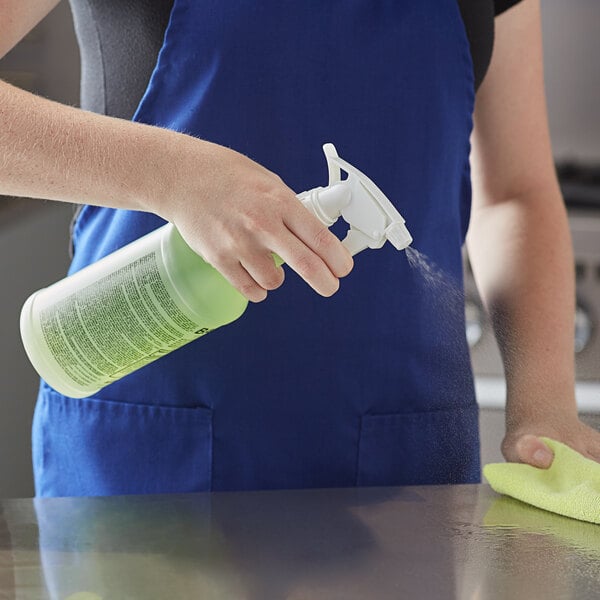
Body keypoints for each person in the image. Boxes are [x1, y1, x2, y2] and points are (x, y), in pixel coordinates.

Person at [2, 0, 599, 497]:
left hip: (407, 471)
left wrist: (545, 403)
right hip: (154, 462)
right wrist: (174, 173)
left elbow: (515, 192)